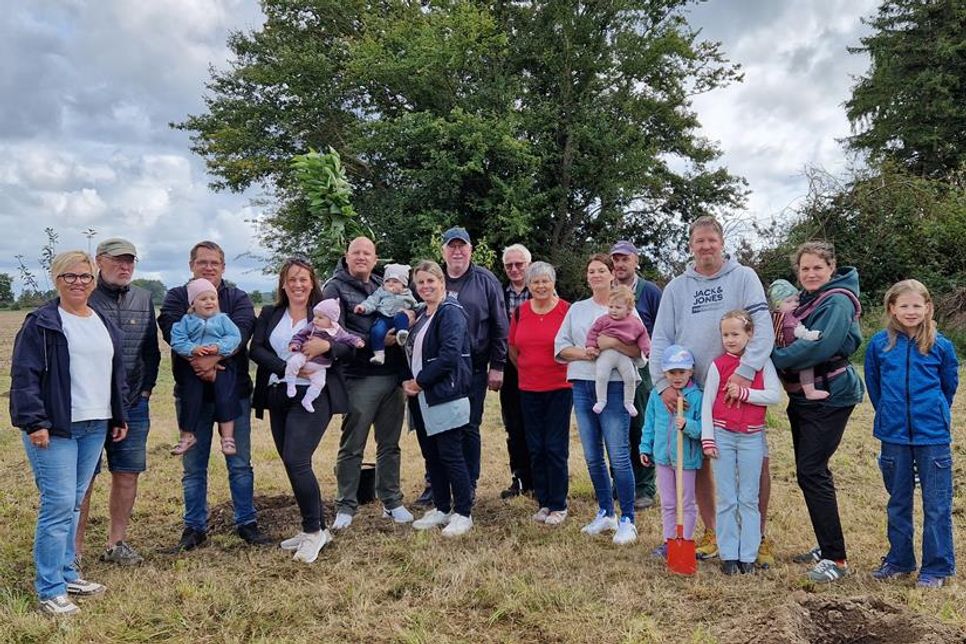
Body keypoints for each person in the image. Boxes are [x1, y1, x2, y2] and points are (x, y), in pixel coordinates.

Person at [648, 216, 775, 565]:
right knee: (699, 459)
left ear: (721, 242)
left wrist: (747, 372)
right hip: (694, 388)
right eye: (698, 241)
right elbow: (660, 339)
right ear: (691, 245)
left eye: (711, 240)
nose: (705, 246)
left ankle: (757, 536)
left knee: (754, 460)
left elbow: (762, 328)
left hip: (738, 389)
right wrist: (663, 385)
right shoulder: (677, 287)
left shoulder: (744, 277)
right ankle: (713, 532)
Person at [11, 250, 129, 615]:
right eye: (69, 276)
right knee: (59, 504)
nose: (78, 282)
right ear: (56, 280)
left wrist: (118, 415)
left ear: (94, 280)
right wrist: (35, 422)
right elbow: (25, 376)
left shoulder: (101, 320)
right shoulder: (42, 322)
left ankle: (66, 573)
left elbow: (114, 372)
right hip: (57, 426)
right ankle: (49, 589)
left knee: (75, 502)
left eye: (84, 276)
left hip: (96, 423)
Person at [158, 241, 270, 552]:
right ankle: (194, 527)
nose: (209, 267)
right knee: (194, 467)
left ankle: (246, 522)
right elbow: (171, 329)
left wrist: (210, 359)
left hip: (233, 393)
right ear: (191, 265)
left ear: (223, 267)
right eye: (202, 262)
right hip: (191, 392)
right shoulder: (177, 297)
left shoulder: (237, 298)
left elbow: (243, 331)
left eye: (215, 263)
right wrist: (198, 361)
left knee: (239, 462)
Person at [771, 241, 864, 583]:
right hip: (804, 398)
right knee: (809, 471)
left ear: (831, 268)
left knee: (812, 470)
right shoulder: (806, 300)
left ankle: (835, 559)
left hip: (831, 395)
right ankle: (826, 546)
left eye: (817, 268)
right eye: (804, 268)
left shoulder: (837, 301)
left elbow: (819, 346)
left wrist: (774, 358)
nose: (811, 274)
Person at [250, 257, 351, 563]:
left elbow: (346, 345)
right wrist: (286, 367)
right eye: (292, 279)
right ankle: (316, 525)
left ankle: (314, 531)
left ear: (312, 283)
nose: (298, 284)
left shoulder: (323, 314)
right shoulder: (270, 313)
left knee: (297, 458)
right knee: (290, 460)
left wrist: (327, 348)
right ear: (283, 284)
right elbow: (256, 349)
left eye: (303, 279)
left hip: (314, 395)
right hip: (279, 393)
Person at [865, 279, 959, 589]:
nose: (910, 311)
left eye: (917, 305)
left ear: (928, 308)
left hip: (932, 435)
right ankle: (900, 560)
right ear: (892, 308)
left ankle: (937, 566)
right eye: (903, 305)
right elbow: (875, 386)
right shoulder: (879, 345)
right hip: (893, 435)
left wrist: (933, 412)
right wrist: (891, 413)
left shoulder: (941, 345)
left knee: (937, 504)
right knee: (898, 501)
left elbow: (949, 386)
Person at [76, 238, 160, 567]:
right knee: (84, 477)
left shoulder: (143, 297)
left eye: (130, 261)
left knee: (127, 473)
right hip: (90, 406)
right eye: (117, 260)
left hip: (133, 404)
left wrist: (146, 390)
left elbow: (151, 352)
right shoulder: (84, 296)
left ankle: (116, 543)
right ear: (99, 261)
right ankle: (74, 551)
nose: (125, 267)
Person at [323, 237, 413, 530]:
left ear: (376, 259)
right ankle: (346, 505)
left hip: (392, 375)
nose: (361, 257)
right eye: (356, 252)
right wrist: (371, 342)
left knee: (390, 443)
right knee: (353, 445)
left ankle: (391, 501)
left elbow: (409, 306)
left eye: (367, 253)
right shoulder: (334, 287)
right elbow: (333, 328)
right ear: (346, 256)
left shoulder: (384, 282)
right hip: (359, 376)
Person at [554, 254, 642, 545]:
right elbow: (561, 346)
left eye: (601, 270)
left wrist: (613, 344)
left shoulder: (626, 308)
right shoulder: (577, 309)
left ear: (611, 275)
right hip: (582, 384)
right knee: (592, 455)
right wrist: (586, 353)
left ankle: (627, 518)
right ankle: (605, 511)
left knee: (618, 454)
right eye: (591, 271)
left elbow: (640, 352)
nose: (595, 275)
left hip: (616, 387)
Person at [700, 311, 781, 574]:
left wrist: (745, 393)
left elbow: (773, 395)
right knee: (727, 497)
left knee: (748, 496)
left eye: (735, 334)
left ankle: (748, 554)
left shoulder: (761, 363)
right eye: (725, 335)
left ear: (749, 334)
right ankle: (728, 554)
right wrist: (708, 437)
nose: (730, 340)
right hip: (723, 434)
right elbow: (707, 403)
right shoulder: (718, 365)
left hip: (751, 436)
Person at [404, 260, 475, 537]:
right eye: (420, 282)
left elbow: (449, 356)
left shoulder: (451, 312)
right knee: (431, 455)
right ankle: (443, 507)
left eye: (430, 281)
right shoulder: (422, 314)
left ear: (442, 283)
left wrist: (420, 381)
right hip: (421, 398)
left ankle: (464, 512)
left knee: (451, 454)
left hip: (444, 393)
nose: (425, 287)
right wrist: (408, 381)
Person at [441, 226, 509, 494]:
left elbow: (500, 325)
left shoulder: (486, 280)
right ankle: (435, 483)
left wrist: (499, 365)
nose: (457, 251)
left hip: (475, 367)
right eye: (451, 246)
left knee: (468, 426)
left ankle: (468, 483)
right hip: (439, 368)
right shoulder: (432, 278)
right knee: (438, 425)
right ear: (443, 250)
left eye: (462, 246)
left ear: (470, 249)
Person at [508, 261, 571, 525]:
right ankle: (544, 502)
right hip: (528, 388)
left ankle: (559, 504)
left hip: (559, 388)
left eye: (545, 281)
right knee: (535, 447)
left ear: (553, 283)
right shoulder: (520, 312)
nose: (541, 286)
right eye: (536, 282)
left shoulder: (567, 311)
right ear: (529, 285)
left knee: (555, 447)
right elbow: (513, 348)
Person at [610, 240, 662, 509]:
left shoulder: (649, 292)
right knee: (615, 427)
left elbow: (664, 328)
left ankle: (645, 486)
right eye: (615, 260)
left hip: (641, 370)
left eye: (624, 259)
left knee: (641, 427)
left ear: (635, 261)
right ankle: (619, 482)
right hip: (611, 372)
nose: (619, 264)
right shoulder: (607, 292)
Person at [639, 345, 702, 559]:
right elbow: (649, 423)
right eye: (672, 372)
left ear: (690, 371)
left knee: (686, 502)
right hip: (663, 458)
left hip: (687, 460)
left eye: (681, 372)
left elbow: (703, 428)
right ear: (664, 373)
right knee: (667, 502)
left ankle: (685, 539)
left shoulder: (696, 397)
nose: (677, 377)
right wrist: (645, 447)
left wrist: (688, 426)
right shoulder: (657, 396)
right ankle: (669, 541)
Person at [169, 278, 242, 456]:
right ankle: (187, 435)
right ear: (193, 303)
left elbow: (235, 337)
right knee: (190, 397)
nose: (209, 302)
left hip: (221, 364)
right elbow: (177, 340)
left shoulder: (223, 320)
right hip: (193, 366)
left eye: (212, 298)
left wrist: (219, 348)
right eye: (203, 299)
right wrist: (192, 349)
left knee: (226, 396)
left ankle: (228, 438)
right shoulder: (186, 321)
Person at [286, 298, 364, 412]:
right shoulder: (312, 326)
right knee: (293, 362)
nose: (316, 320)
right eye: (315, 316)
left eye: (320, 317)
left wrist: (357, 341)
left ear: (332, 320)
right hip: (305, 356)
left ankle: (308, 399)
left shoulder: (337, 331)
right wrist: (295, 344)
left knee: (319, 383)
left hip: (320, 365)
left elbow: (347, 338)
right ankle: (290, 382)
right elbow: (300, 335)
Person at [499, 243, 533, 499]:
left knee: (539, 425)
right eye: (509, 265)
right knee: (514, 426)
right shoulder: (498, 294)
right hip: (509, 369)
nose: (514, 269)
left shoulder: (543, 291)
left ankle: (541, 477)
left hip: (538, 368)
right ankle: (520, 478)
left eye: (519, 264)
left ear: (528, 265)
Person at [585, 285, 651, 417]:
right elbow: (592, 333)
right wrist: (590, 346)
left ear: (629, 309)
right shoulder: (603, 320)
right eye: (611, 307)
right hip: (606, 354)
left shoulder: (635, 323)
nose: (613, 311)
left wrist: (648, 351)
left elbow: (643, 338)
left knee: (630, 377)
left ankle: (629, 402)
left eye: (618, 308)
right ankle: (601, 400)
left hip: (624, 355)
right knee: (601, 375)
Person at [768, 278, 828, 400]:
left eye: (796, 300)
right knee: (806, 364)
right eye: (789, 301)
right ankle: (810, 391)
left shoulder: (771, 317)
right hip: (792, 350)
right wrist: (813, 335)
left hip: (778, 351)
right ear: (778, 305)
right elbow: (799, 332)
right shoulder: (789, 319)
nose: (794, 304)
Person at [352, 262, 417, 365]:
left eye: (395, 281)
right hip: (384, 317)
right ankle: (379, 354)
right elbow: (372, 301)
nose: (391, 284)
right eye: (388, 281)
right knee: (376, 330)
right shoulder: (381, 291)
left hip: (399, 315)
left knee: (402, 317)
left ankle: (402, 333)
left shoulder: (407, 294)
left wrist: (419, 309)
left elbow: (415, 306)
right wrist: (363, 307)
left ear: (403, 284)